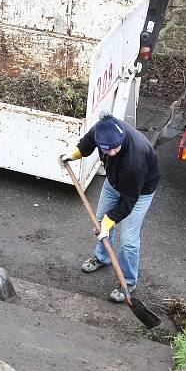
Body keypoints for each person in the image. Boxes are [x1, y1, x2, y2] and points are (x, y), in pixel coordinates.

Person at [61, 112, 160, 302]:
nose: (112, 152)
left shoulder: (135, 159)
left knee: (128, 241)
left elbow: (128, 201)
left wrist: (109, 222)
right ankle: (103, 258)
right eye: (107, 150)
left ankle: (128, 281)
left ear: (121, 138)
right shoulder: (101, 130)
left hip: (139, 191)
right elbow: (87, 144)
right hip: (114, 182)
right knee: (100, 223)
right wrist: (72, 155)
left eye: (115, 148)